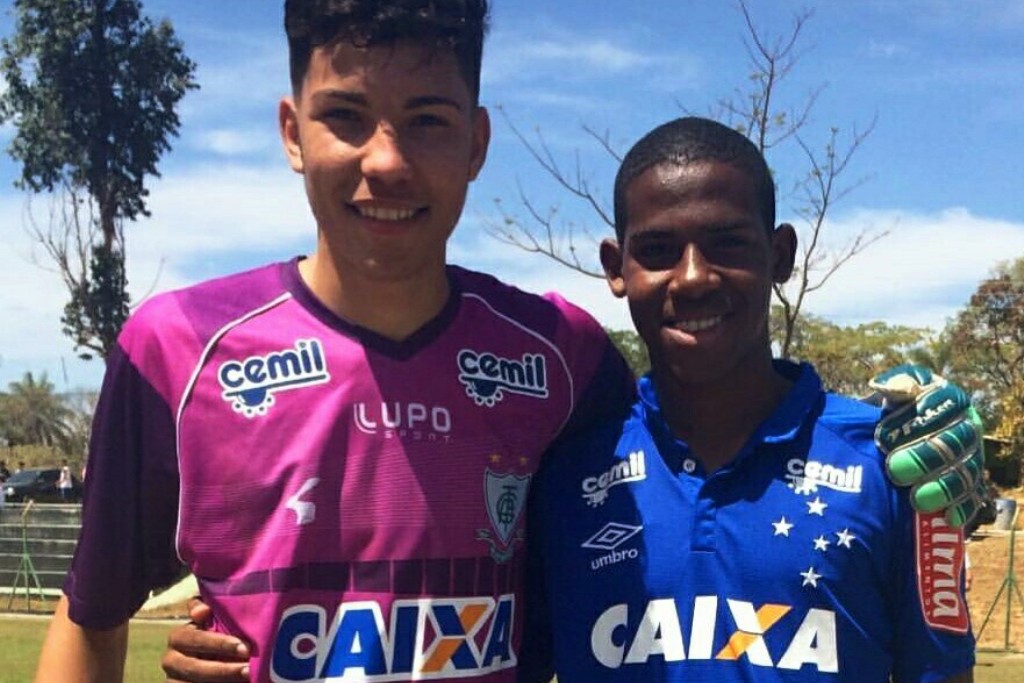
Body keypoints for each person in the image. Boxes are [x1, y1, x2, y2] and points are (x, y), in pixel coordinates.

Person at [38, 3, 982, 683]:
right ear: (292, 131)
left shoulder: (560, 359)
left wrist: (927, 440)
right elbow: (91, 617)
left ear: (477, 141)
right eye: (346, 117)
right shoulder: (177, 348)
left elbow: (713, 417)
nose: (386, 161)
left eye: (427, 121)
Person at [517, 117, 975, 682]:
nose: (692, 278)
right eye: (658, 250)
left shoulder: (891, 465)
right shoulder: (565, 476)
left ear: (780, 255)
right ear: (616, 269)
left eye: (727, 244)